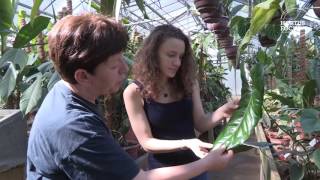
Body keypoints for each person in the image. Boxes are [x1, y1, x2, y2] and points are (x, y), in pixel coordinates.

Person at [26, 14, 233, 180]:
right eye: (115, 65)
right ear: (83, 76)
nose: (125, 70)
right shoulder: (75, 127)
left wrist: (222, 112)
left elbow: (200, 121)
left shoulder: (67, 93)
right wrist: (205, 160)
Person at [123, 24, 239, 180]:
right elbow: (147, 142)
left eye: (181, 56)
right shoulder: (134, 92)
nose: (177, 62)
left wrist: (225, 110)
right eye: (171, 55)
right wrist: (187, 143)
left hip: (197, 167)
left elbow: (200, 123)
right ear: (153, 55)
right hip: (164, 173)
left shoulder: (189, 84)